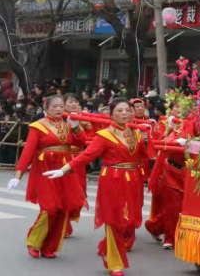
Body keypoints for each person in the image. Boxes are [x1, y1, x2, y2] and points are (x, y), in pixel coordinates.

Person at [43, 98, 148, 276]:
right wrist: (64, 169)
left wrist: (148, 138)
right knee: (114, 220)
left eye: (126, 110)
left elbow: (145, 155)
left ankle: (107, 250)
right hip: (112, 180)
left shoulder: (136, 134)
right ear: (112, 114)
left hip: (133, 180)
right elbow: (86, 156)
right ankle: (116, 263)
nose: (124, 114)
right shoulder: (105, 135)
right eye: (119, 110)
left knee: (128, 221)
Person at [7, 94, 87, 259]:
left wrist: (76, 126)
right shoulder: (38, 126)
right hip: (45, 169)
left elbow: (80, 143)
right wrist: (18, 174)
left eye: (60, 106)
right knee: (49, 207)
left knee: (63, 208)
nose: (58, 109)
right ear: (47, 108)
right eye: (54, 106)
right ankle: (34, 242)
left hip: (64, 169)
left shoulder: (68, 123)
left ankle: (49, 246)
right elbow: (28, 150)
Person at [144, 100, 193, 250]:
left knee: (183, 207)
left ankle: (154, 226)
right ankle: (170, 238)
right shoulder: (169, 123)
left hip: (189, 171)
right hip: (171, 170)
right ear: (171, 110)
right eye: (177, 107)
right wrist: (174, 137)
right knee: (173, 206)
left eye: (184, 107)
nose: (180, 110)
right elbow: (162, 143)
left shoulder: (193, 124)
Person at [63, 93, 92, 237]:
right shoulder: (59, 119)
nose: (74, 104)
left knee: (80, 193)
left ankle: (67, 219)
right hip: (65, 158)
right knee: (66, 193)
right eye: (70, 102)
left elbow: (89, 136)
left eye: (76, 102)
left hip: (79, 159)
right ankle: (64, 224)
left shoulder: (82, 118)